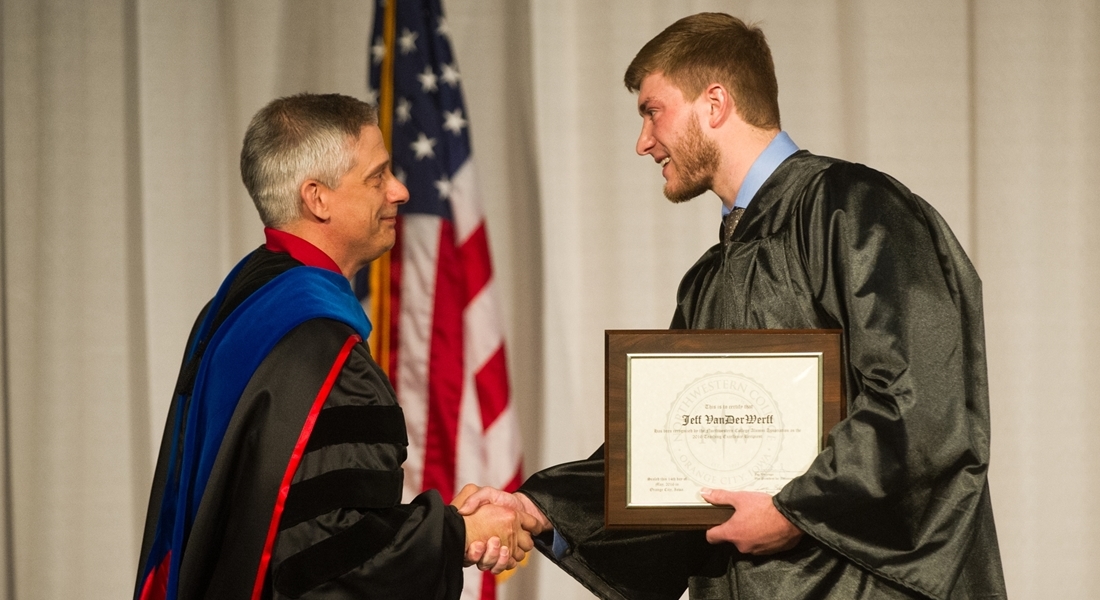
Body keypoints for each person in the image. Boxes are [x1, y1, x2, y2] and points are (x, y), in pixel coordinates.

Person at [458, 12, 1007, 600]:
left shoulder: (858, 213)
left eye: (652, 111)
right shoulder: (708, 277)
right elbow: (667, 450)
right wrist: (539, 507)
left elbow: (921, 401)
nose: (642, 142)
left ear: (714, 103)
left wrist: (794, 509)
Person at [134, 93, 538, 600]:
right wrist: (457, 535)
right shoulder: (320, 351)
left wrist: (448, 525)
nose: (400, 191)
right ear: (316, 198)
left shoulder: (243, 302)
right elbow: (331, 558)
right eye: (377, 177)